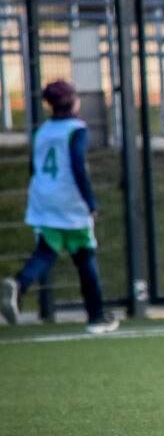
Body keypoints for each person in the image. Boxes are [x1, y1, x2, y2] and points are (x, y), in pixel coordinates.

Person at [1, 80, 119, 334]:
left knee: (47, 250)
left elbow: (33, 166)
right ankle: (96, 316)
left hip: (43, 198)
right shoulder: (77, 130)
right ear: (72, 101)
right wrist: (90, 201)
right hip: (69, 201)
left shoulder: (42, 131)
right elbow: (77, 165)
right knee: (85, 256)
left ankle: (19, 284)